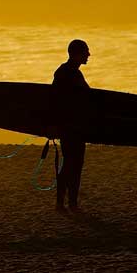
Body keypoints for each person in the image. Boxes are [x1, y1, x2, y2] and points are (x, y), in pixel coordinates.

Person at [52, 39, 91, 213]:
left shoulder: (64, 71)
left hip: (68, 125)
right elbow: (87, 96)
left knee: (70, 163)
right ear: (77, 54)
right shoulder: (71, 73)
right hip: (72, 127)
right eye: (86, 52)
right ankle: (68, 204)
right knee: (73, 164)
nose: (89, 55)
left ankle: (63, 203)